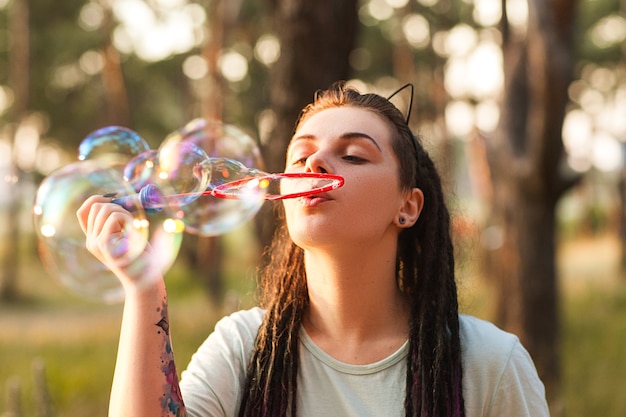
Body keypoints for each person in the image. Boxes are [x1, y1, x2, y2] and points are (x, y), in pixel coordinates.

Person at [77, 81, 550, 417]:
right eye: (300, 156)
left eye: (353, 154)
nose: (316, 162)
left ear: (408, 206)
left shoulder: (488, 363)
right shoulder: (244, 349)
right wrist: (143, 288)